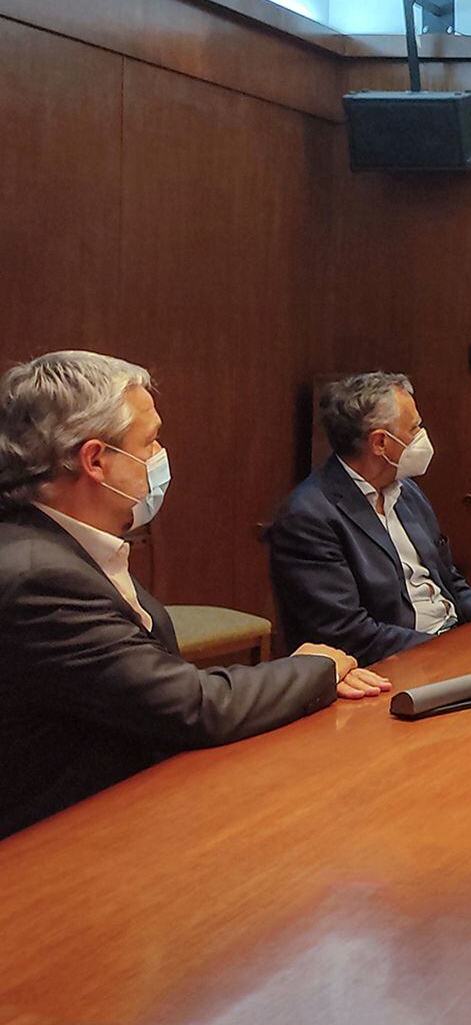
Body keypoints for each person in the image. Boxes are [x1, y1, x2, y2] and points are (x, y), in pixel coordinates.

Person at [0, 351, 387, 838]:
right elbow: (191, 706)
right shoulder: (38, 576)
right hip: (62, 843)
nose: (159, 457)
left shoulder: (66, 541)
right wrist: (318, 667)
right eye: (150, 442)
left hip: (132, 799)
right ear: (95, 460)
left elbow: (147, 678)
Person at [268, 373, 471, 666]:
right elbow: (348, 634)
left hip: (450, 645)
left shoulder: (407, 491)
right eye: (415, 428)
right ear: (381, 443)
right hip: (390, 665)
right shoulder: (308, 517)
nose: (423, 436)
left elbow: (449, 579)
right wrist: (451, 649)